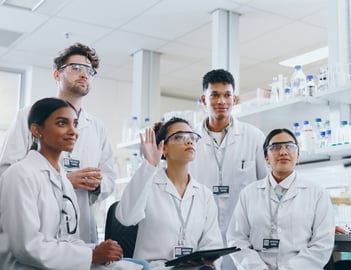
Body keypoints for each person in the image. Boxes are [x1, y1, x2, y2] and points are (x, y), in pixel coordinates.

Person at [0, 98, 144, 270]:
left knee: (138, 266)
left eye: (75, 124)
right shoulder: (20, 175)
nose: (73, 131)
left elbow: (66, 239)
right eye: (62, 123)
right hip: (27, 266)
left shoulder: (61, 178)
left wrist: (97, 249)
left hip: (59, 264)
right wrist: (92, 255)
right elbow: (26, 247)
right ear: (37, 130)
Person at [0, 43, 115, 244]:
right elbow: (6, 172)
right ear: (56, 75)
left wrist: (98, 185)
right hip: (38, 228)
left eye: (89, 71)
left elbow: (110, 177)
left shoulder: (97, 127)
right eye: (76, 68)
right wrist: (63, 180)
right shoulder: (28, 117)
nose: (84, 74)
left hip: (83, 231)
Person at [115, 117, 224, 269]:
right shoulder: (148, 184)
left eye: (192, 137)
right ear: (163, 148)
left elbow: (212, 243)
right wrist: (149, 165)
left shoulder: (204, 194)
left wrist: (209, 260)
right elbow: (126, 217)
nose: (189, 141)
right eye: (179, 137)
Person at [227, 128, 335, 269]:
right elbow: (237, 239)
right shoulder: (248, 194)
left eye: (290, 147)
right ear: (266, 157)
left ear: (298, 156)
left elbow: (322, 244)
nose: (283, 152)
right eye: (276, 147)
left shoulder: (317, 193)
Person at [189, 69, 267, 251]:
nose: (221, 101)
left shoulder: (254, 136)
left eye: (227, 95)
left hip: (244, 233)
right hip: (200, 232)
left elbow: (267, 186)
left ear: (235, 99)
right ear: (203, 100)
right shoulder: (189, 139)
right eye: (214, 95)